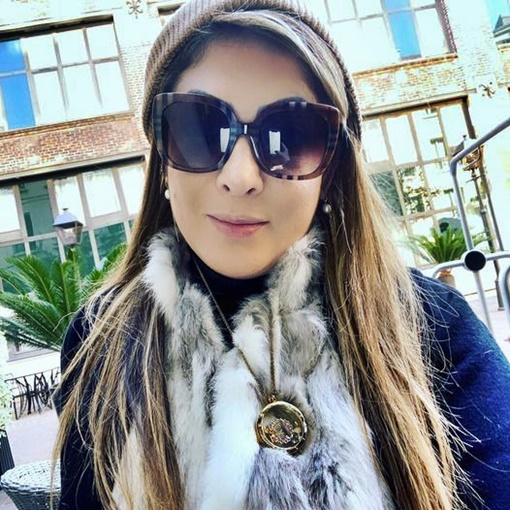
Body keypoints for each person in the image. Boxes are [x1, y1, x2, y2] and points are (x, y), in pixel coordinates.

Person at [55, 0, 510, 509]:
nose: (240, 177)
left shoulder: (431, 325)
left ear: (332, 171)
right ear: (162, 159)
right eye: (201, 130)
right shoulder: (102, 339)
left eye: (289, 137)